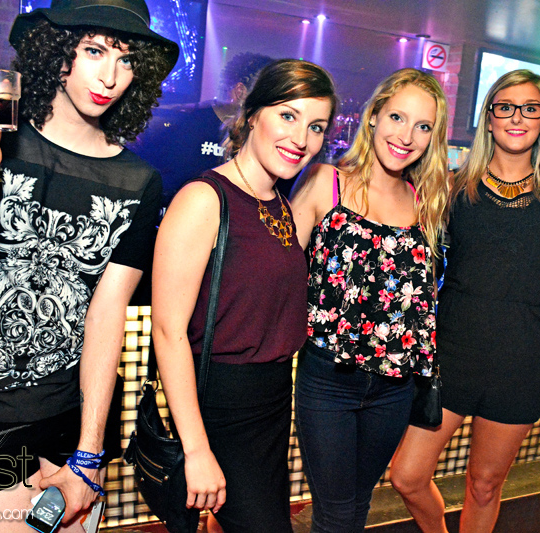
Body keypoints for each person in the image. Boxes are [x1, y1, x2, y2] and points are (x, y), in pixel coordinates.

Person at [0, 0, 177, 529]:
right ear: (55, 50)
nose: (110, 76)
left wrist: (88, 452)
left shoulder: (139, 181)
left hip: (73, 423)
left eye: (126, 59)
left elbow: (105, 317)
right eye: (94, 51)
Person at [151, 59, 337, 533]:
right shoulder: (204, 198)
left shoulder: (279, 204)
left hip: (271, 402)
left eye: (316, 126)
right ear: (252, 115)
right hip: (221, 406)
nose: (301, 138)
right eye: (288, 115)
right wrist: (196, 449)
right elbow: (168, 332)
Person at [388, 70, 540, 533]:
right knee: (407, 475)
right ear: (488, 117)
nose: (517, 118)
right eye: (505, 107)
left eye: (530, 108)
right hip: (452, 353)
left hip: (522, 359)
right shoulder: (451, 188)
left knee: (485, 485)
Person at [290, 68, 449, 532]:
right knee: (337, 514)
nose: (407, 136)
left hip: (394, 388)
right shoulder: (326, 181)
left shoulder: (426, 202)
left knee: (357, 507)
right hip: (329, 380)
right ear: (374, 115)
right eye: (397, 117)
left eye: (423, 126)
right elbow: (280, 272)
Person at [131, 52, 274, 207]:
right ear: (240, 92)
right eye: (265, 96)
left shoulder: (260, 136)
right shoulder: (191, 123)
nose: (270, 104)